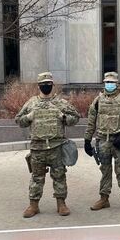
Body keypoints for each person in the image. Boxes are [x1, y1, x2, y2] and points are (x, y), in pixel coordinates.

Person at [15, 72, 81, 218]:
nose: (46, 86)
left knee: (59, 176)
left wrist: (63, 117)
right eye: (43, 84)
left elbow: (76, 118)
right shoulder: (31, 103)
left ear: (52, 85)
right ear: (39, 86)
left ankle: (61, 204)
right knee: (37, 177)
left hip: (56, 146)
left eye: (49, 84)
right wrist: (28, 117)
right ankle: (33, 205)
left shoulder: (60, 103)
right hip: (37, 148)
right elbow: (19, 120)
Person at [83, 72, 120, 213]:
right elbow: (91, 122)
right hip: (102, 141)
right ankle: (104, 199)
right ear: (104, 83)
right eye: (107, 82)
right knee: (105, 171)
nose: (109, 84)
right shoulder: (98, 100)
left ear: (117, 84)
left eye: (112, 82)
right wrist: (87, 140)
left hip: (118, 141)